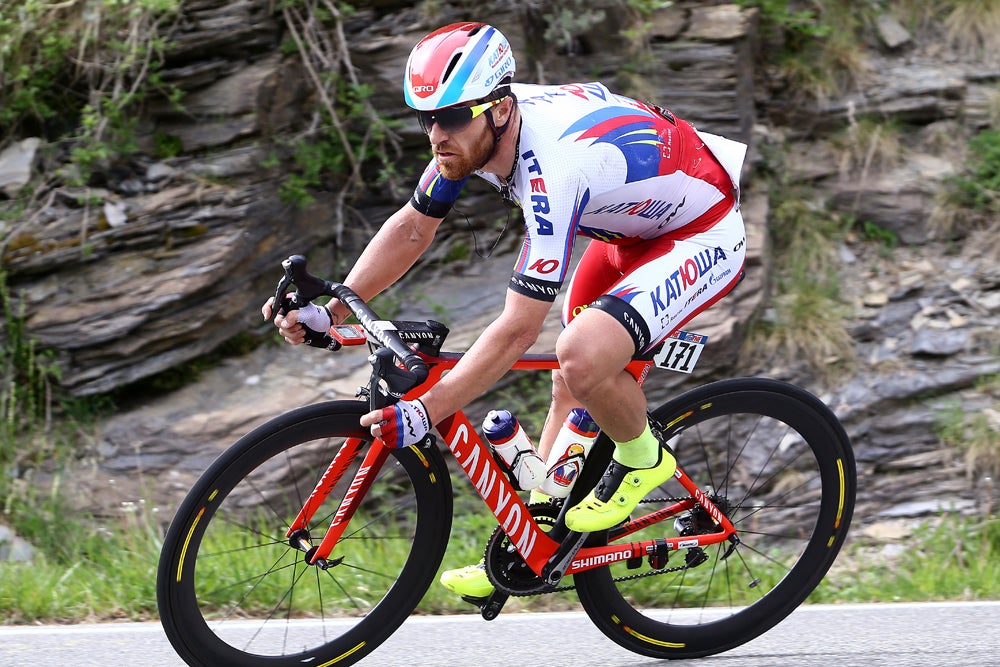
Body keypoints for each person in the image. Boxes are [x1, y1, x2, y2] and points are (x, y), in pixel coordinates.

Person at [263, 22, 748, 600]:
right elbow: (414, 227)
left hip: (700, 232)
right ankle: (535, 542)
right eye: (426, 118)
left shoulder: (553, 165)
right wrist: (334, 309)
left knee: (581, 355)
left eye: (449, 117)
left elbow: (518, 328)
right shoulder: (475, 135)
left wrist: (429, 409)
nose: (435, 134)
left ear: (497, 110)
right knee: (571, 383)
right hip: (627, 231)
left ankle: (644, 459)